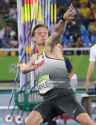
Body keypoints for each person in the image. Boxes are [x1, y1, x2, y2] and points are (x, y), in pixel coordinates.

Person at [18, 5, 96, 125]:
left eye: (45, 33)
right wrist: (24, 67)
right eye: (39, 33)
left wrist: (63, 20)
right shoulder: (34, 57)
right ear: (33, 38)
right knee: (30, 121)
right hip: (48, 100)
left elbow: (56, 32)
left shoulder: (51, 46)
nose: (43, 35)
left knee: (89, 123)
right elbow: (25, 69)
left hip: (63, 95)